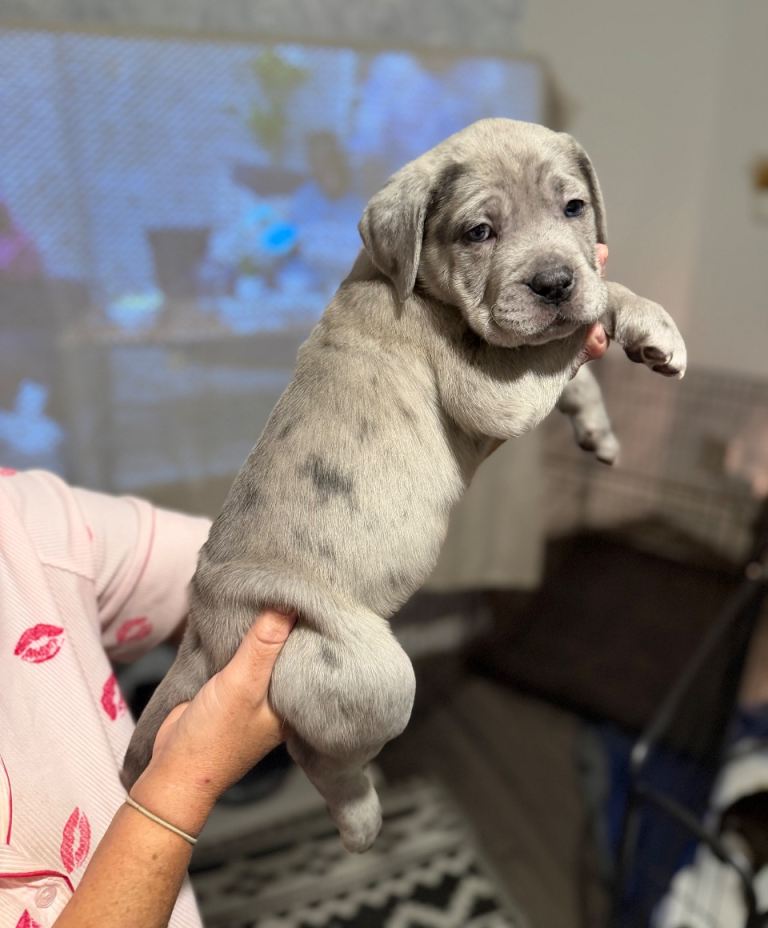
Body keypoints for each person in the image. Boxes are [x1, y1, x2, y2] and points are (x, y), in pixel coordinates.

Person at [0, 318, 609, 928]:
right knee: (383, 693)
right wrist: (182, 781)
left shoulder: (25, 519)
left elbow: (225, 568)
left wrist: (423, 469)